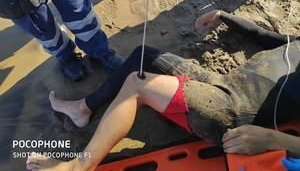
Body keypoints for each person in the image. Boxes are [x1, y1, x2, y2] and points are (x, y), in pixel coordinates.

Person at [26, 10, 300, 170]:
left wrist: (274, 139)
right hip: (225, 84)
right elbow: (267, 37)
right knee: (144, 55)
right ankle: (83, 109)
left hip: (234, 112)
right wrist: (224, 16)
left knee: (137, 84)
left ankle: (78, 166)